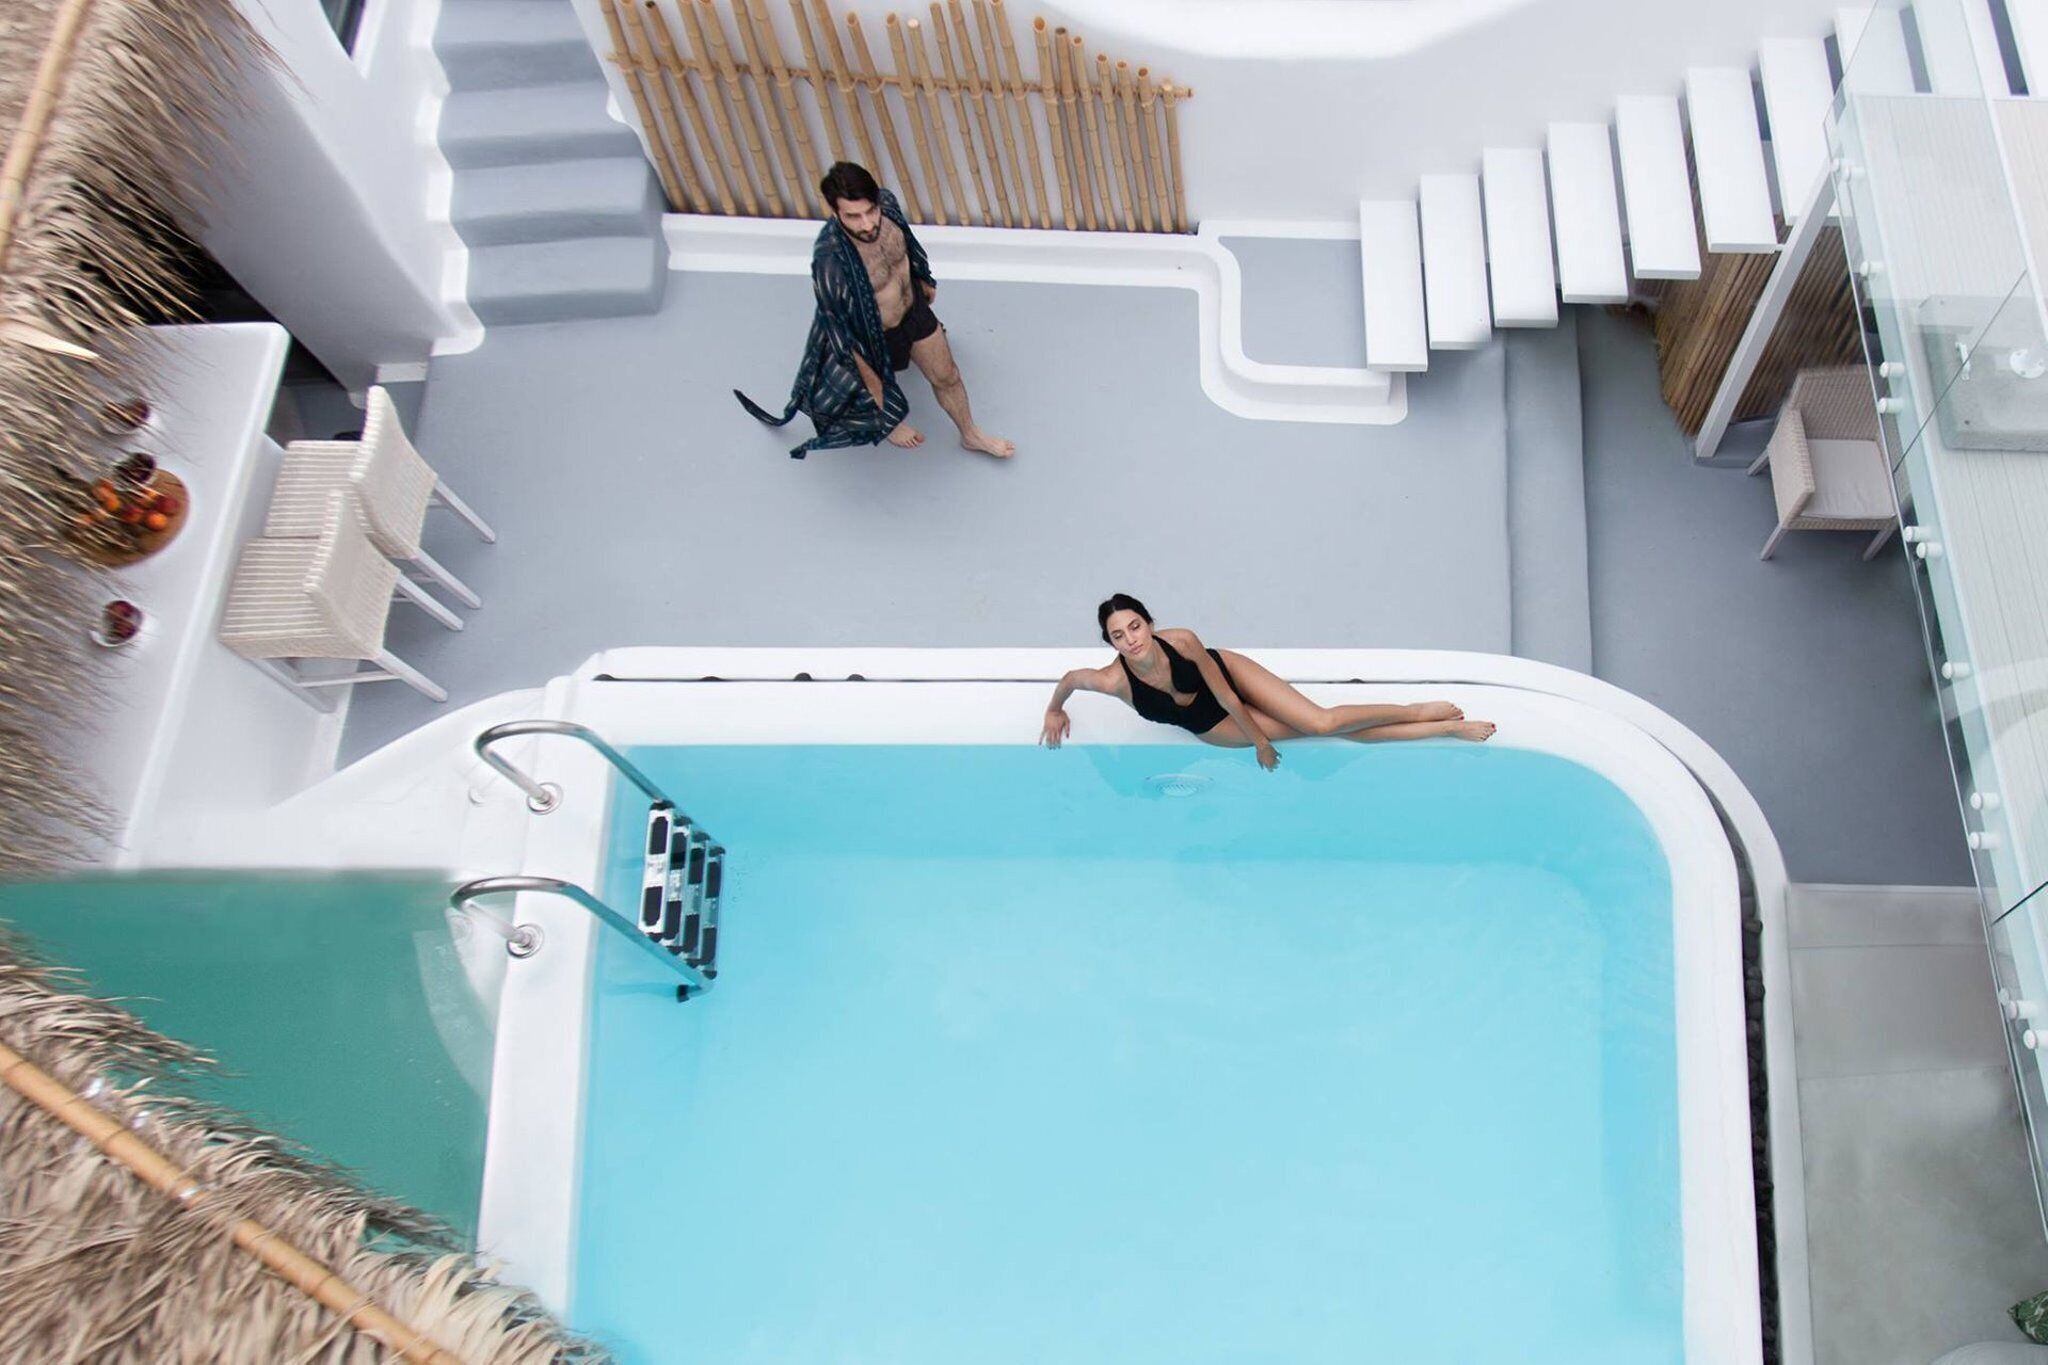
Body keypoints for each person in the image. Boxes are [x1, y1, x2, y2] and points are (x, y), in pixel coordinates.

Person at [735, 161, 1013, 461]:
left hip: (914, 311)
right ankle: (887, 424)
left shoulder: (889, 207)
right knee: (874, 387)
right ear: (835, 212)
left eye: (870, 211)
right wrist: (873, 386)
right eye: (853, 217)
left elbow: (909, 246)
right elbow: (838, 329)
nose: (866, 224)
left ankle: (970, 434)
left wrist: (922, 277)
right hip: (876, 334)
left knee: (947, 376)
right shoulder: (831, 260)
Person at [1040, 594, 1496, 770]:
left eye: (1135, 626)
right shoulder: (1112, 680)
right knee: (1334, 735)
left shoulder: (1181, 641)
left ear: (1148, 622)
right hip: (1210, 726)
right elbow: (1069, 679)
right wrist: (1054, 708)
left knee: (1322, 722)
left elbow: (1222, 690)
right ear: (1111, 642)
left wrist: (1260, 741)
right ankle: (1444, 729)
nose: (1131, 639)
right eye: (1118, 635)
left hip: (1227, 678)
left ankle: (1415, 712)